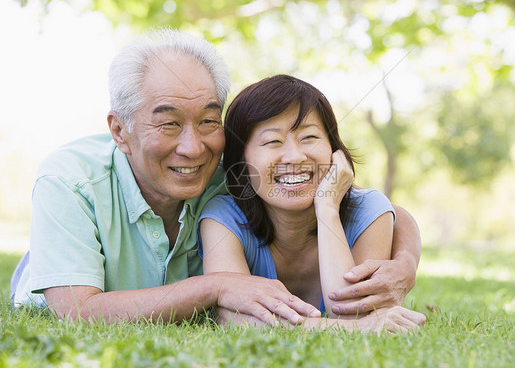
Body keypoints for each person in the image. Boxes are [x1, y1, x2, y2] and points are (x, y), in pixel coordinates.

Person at [10, 28, 421, 326]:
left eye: (209, 120)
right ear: (121, 130)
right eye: (169, 124)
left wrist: (404, 262)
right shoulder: (69, 179)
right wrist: (217, 287)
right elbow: (77, 311)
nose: (193, 147)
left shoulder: (232, 171)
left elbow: (376, 209)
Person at [198, 74, 426, 332]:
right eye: (273, 141)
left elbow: (352, 310)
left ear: (334, 151)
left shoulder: (369, 211)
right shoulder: (223, 218)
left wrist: (327, 209)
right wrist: (352, 330)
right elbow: (235, 317)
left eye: (309, 137)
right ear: (242, 162)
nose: (295, 156)